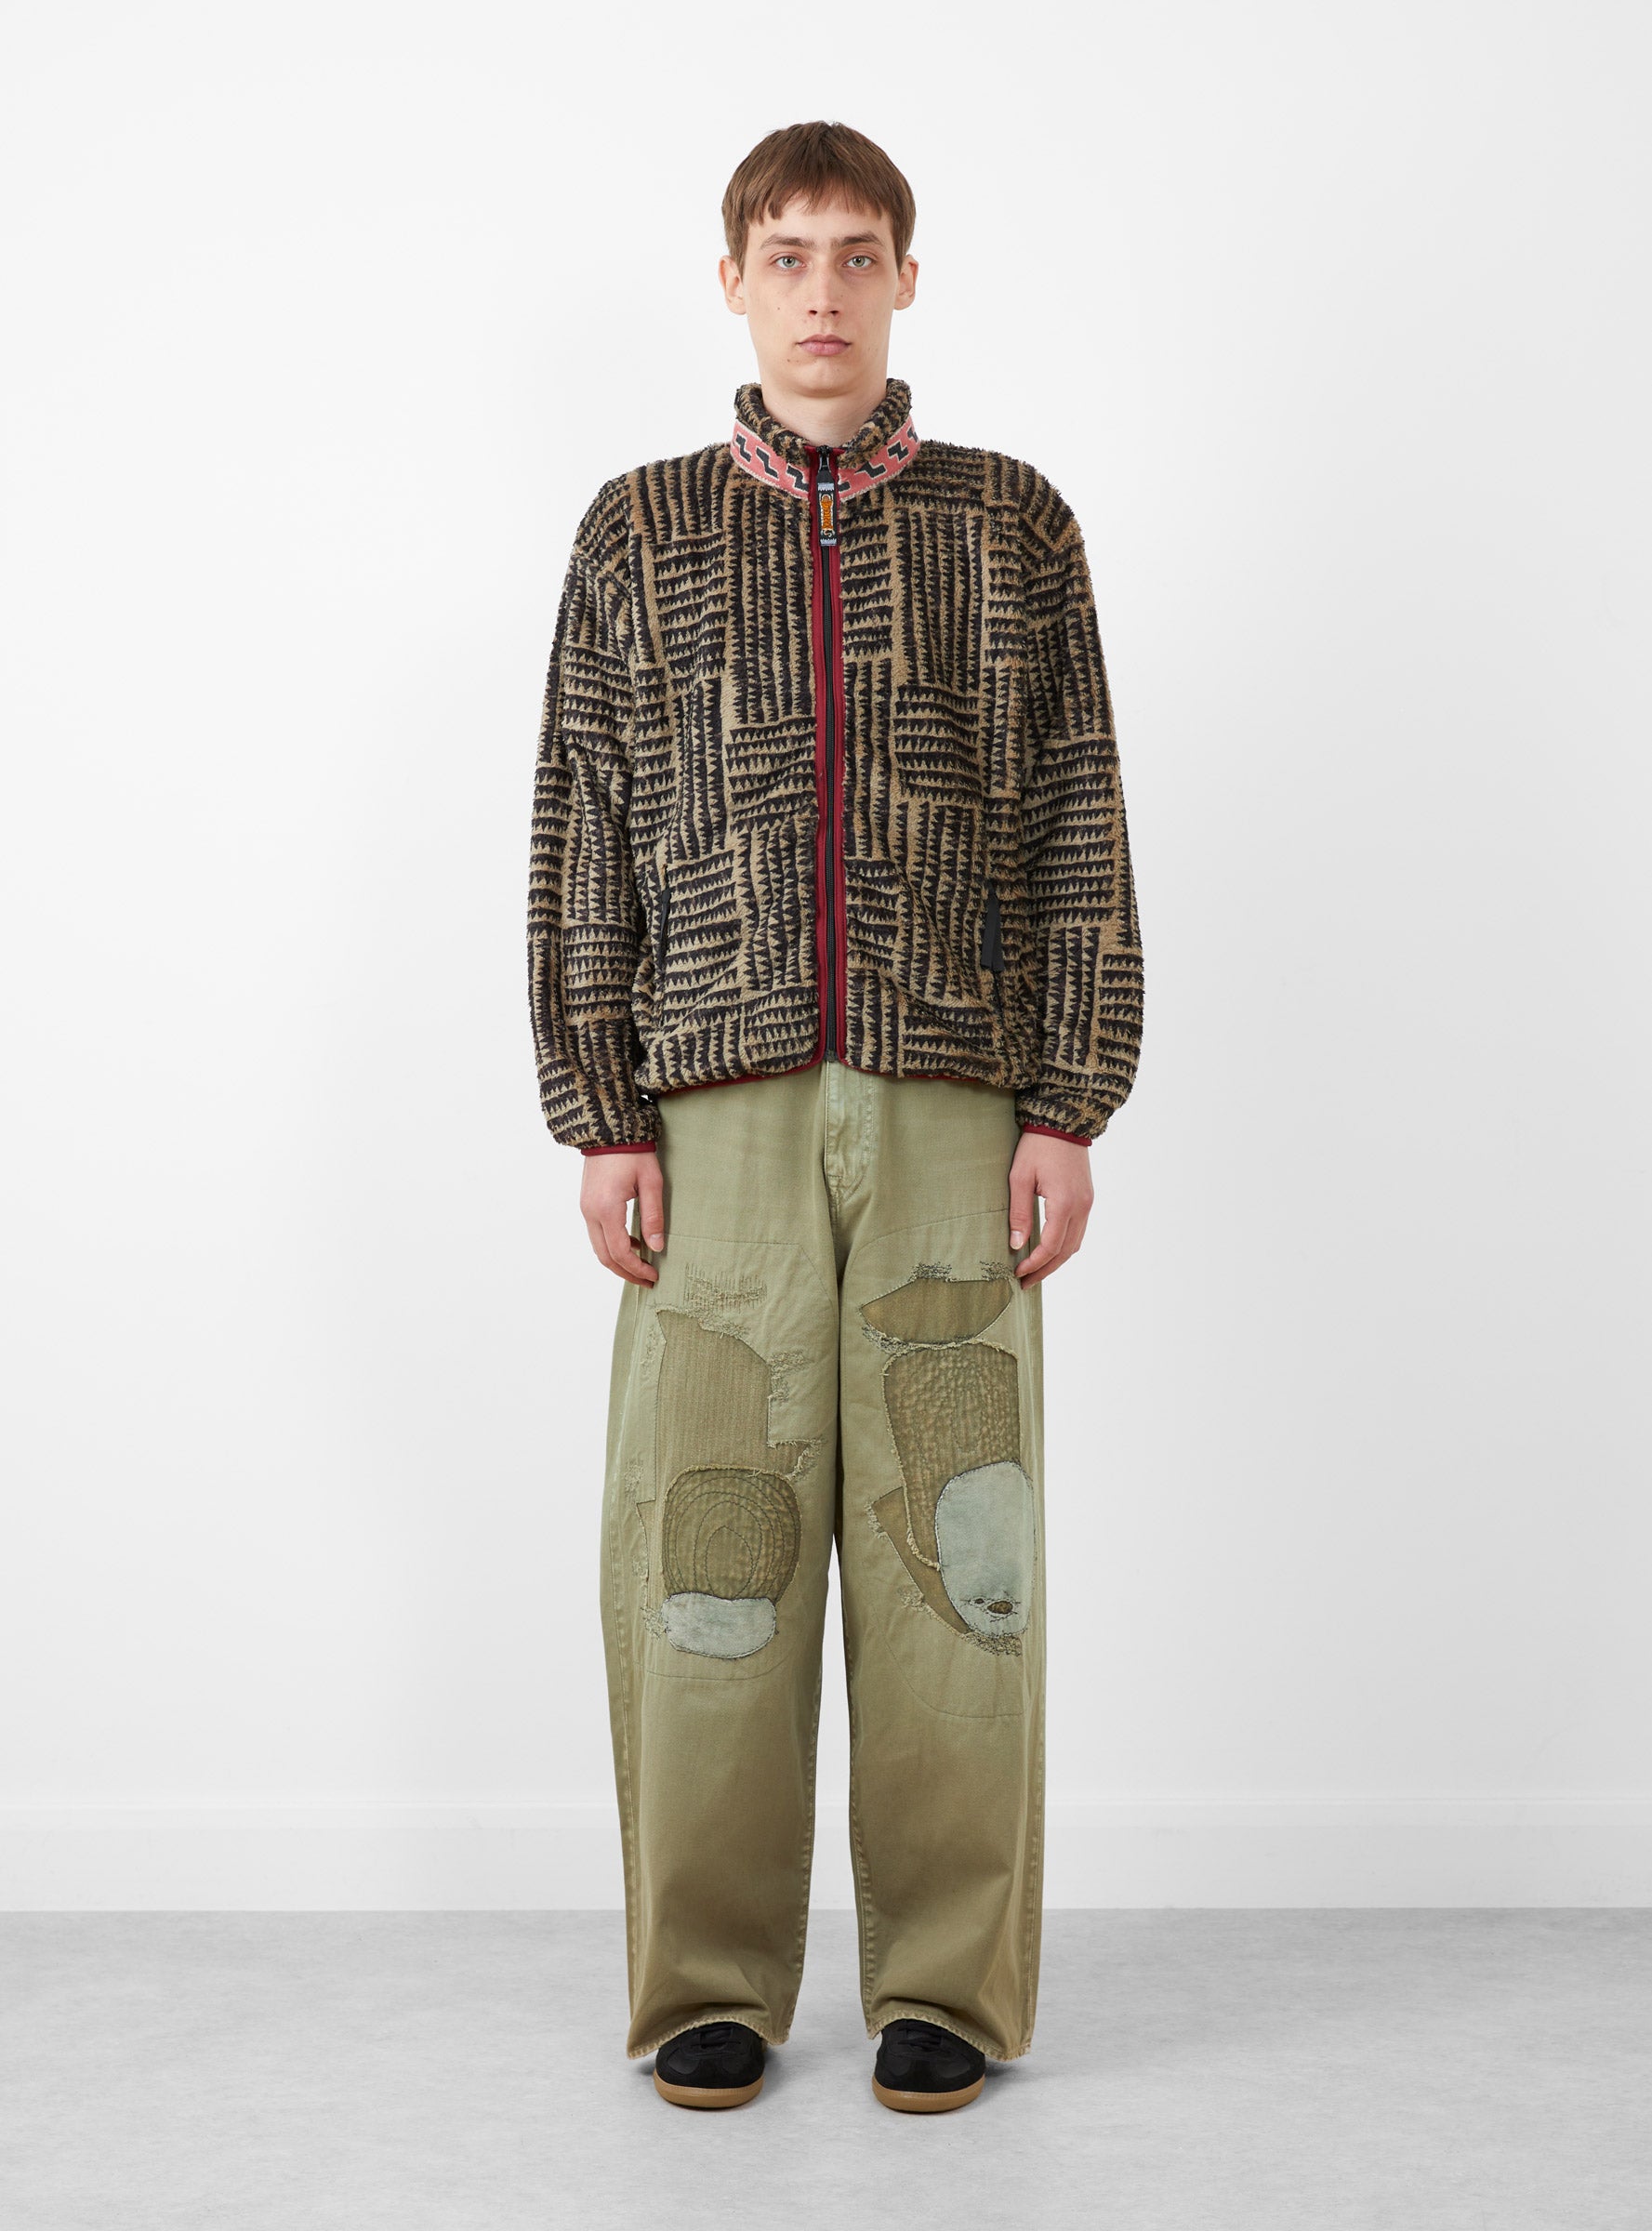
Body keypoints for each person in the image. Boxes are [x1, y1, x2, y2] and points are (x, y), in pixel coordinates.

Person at [527, 119, 1144, 2113]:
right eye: (784, 255)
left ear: (904, 280)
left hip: (958, 1093)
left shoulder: (1011, 522)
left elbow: (1075, 812)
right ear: (731, 282)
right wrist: (601, 1112)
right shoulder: (636, 531)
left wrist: (1070, 1100)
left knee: (963, 1547)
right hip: (709, 1106)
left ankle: (945, 1986)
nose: (820, 291)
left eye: (854, 253)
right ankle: (705, 1980)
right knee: (708, 1545)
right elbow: (582, 823)